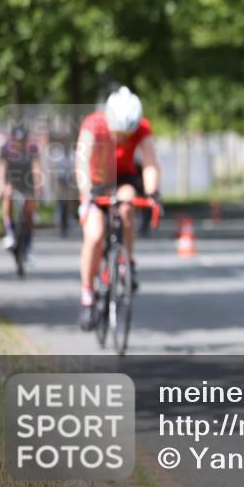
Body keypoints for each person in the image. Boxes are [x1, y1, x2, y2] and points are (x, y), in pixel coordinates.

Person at [74, 86, 161, 329]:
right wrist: (87, 190)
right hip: (96, 181)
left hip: (124, 178)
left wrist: (153, 192)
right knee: (95, 234)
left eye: (127, 134)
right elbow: (81, 160)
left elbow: (150, 163)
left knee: (128, 203)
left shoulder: (142, 128)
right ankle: (87, 295)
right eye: (118, 133)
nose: (122, 139)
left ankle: (128, 262)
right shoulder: (94, 124)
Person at [0, 124, 43, 256]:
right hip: (11, 183)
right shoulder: (6, 149)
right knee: (7, 200)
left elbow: (36, 168)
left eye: (22, 141)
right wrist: (2, 186)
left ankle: (28, 245)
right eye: (17, 141)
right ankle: (10, 234)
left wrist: (38, 185)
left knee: (29, 211)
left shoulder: (32, 149)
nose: (20, 144)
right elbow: (2, 169)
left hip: (27, 184)